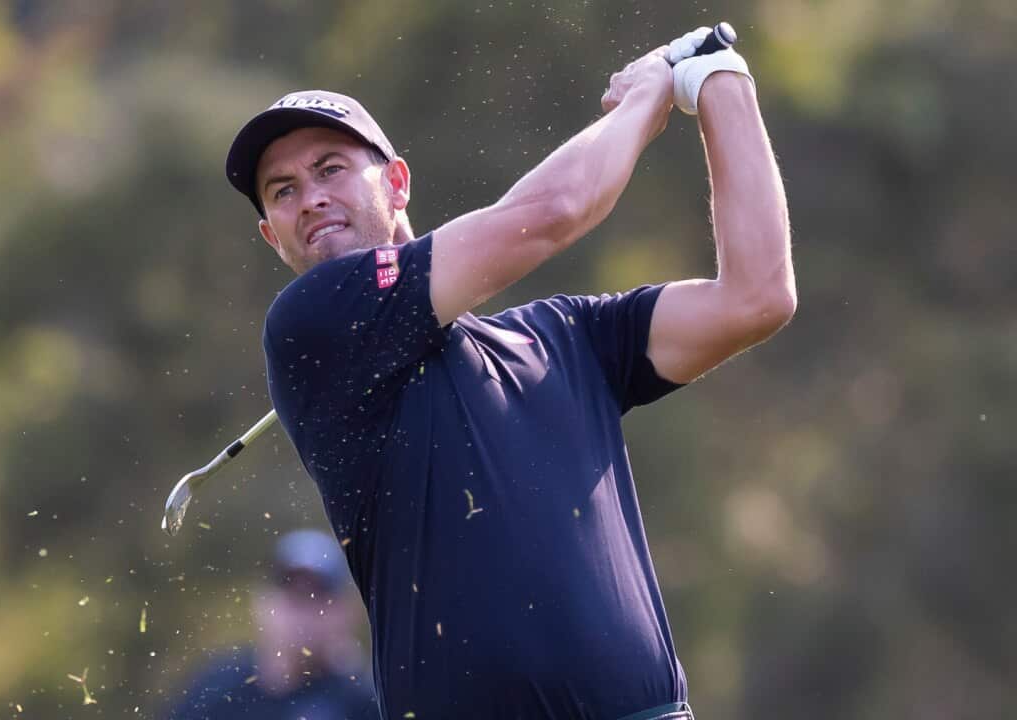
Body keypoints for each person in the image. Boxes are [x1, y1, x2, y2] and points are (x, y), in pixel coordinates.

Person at [222, 26, 795, 720]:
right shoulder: (310, 324)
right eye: (283, 190)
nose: (310, 197)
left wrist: (718, 78)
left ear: (397, 182)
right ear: (272, 234)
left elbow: (756, 297)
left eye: (330, 168)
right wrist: (648, 95)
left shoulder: (564, 335)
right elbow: (556, 211)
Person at [161, 529, 379, 719]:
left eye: (317, 597)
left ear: (347, 611)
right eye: (292, 597)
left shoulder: (366, 703)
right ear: (261, 602)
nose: (302, 614)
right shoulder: (216, 689)